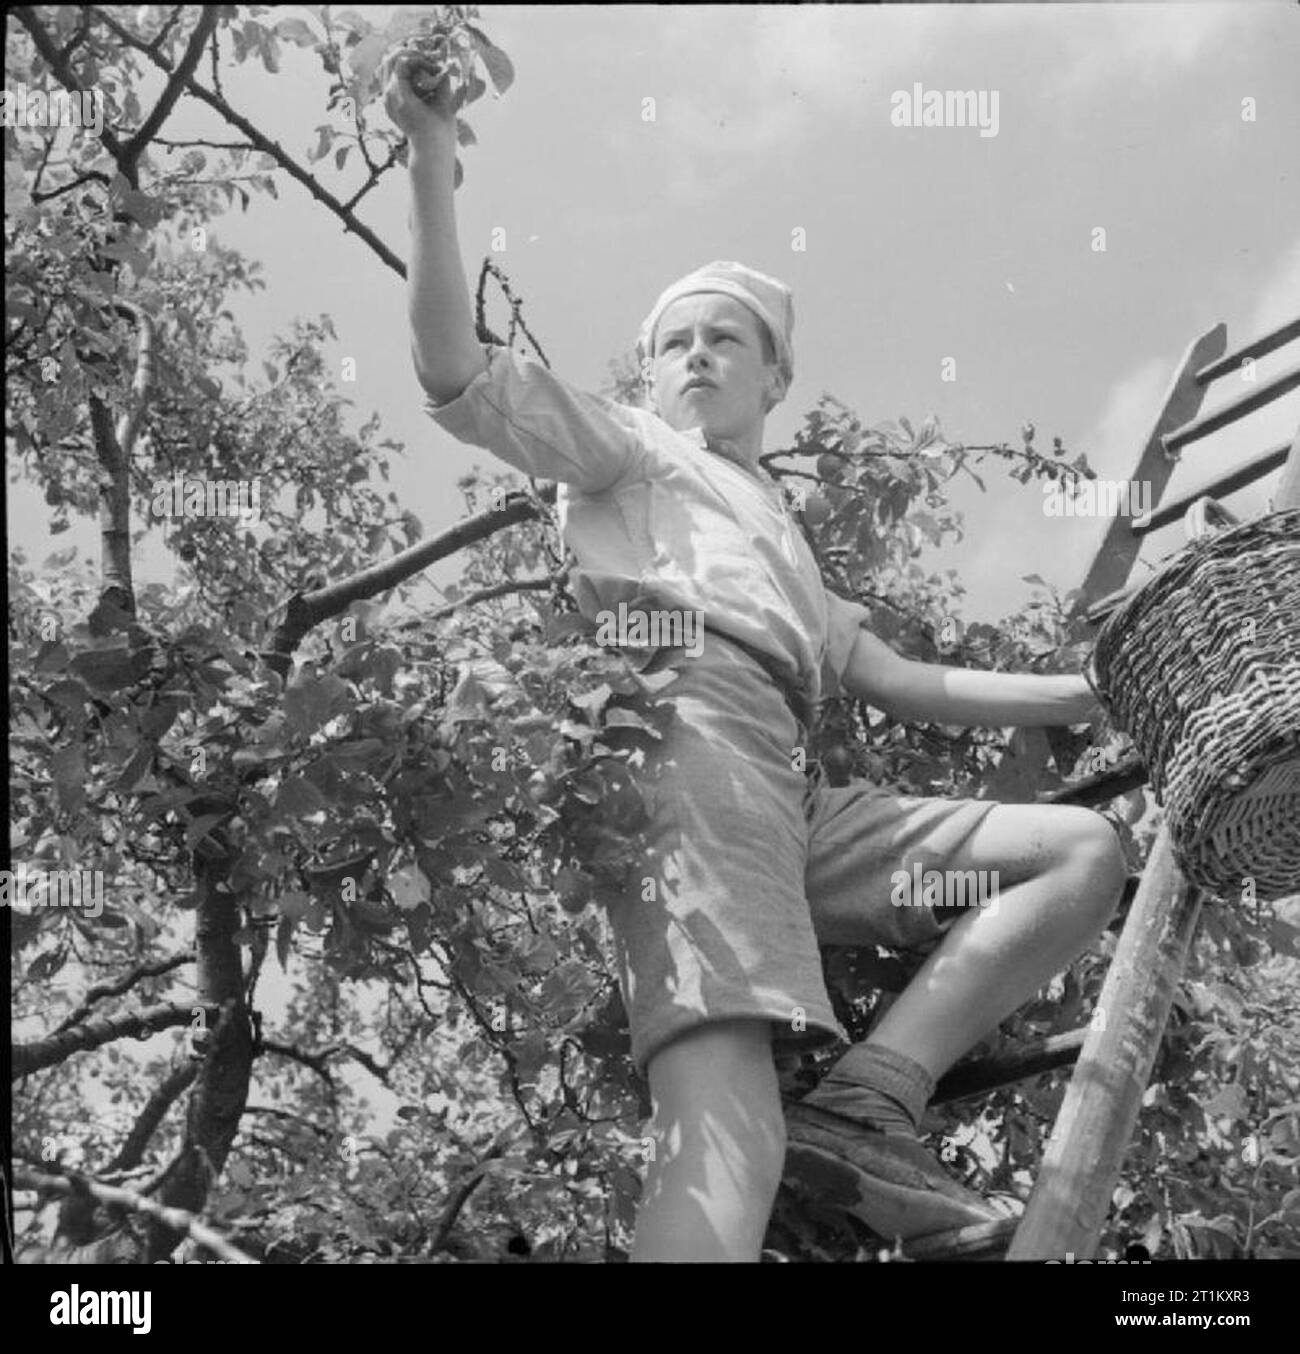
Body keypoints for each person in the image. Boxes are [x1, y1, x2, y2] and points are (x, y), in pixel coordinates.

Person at [388, 55, 1127, 1262]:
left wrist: (1106, 696)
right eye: (671, 341)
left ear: (775, 373)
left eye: (722, 338)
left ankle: (872, 1094)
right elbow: (451, 372)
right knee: (727, 1122)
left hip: (782, 793)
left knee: (1079, 850)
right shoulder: (631, 450)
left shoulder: (778, 534)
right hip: (680, 737)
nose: (693, 356)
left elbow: (894, 675)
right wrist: (428, 161)